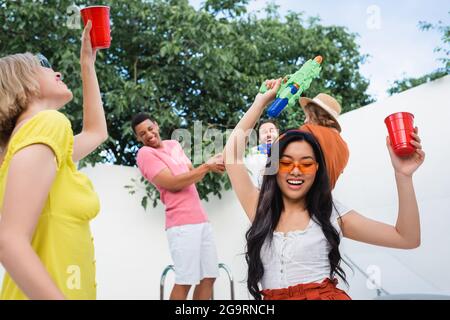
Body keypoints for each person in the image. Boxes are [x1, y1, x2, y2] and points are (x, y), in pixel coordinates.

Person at [224, 79, 425, 300]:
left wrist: (403, 175)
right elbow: (231, 156)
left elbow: (407, 238)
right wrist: (259, 102)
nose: (296, 170)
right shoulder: (261, 208)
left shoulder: (331, 213)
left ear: (317, 169)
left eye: (306, 163)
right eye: (286, 162)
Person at [0, 21, 108, 300]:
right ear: (24, 83)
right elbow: (9, 241)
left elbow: (96, 133)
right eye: (45, 65)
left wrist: (88, 64)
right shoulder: (48, 124)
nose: (57, 71)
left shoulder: (28, 145)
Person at [132, 113, 224, 300]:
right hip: (181, 225)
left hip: (200, 219)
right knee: (186, 280)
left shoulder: (173, 145)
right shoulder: (145, 154)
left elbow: (190, 174)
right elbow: (173, 183)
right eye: (142, 134)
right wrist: (206, 166)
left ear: (156, 125)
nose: (148, 135)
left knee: (209, 277)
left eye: (150, 129)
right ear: (138, 138)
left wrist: (213, 164)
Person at [299, 93, 349, 189]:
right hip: (324, 201)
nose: (305, 121)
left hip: (300, 197)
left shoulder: (308, 131)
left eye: (308, 116)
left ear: (317, 114)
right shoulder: (345, 148)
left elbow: (273, 162)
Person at [244, 119, 279, 188]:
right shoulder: (249, 155)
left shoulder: (287, 151)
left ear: (278, 135)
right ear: (259, 140)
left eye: (271, 131)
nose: (269, 134)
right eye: (264, 132)